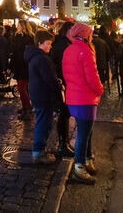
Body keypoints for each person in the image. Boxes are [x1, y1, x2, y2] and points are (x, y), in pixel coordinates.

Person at [62, 22, 104, 184]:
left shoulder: (69, 50)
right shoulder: (85, 51)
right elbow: (92, 77)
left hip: (73, 97)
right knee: (84, 134)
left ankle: (86, 160)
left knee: (85, 132)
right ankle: (79, 167)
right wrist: (100, 89)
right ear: (86, 35)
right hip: (86, 98)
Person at [26, 30, 60, 165]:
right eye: (48, 43)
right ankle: (38, 153)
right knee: (43, 123)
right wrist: (58, 87)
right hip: (43, 95)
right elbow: (50, 80)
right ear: (40, 43)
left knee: (43, 122)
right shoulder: (42, 59)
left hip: (37, 94)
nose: (50, 46)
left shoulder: (35, 57)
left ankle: (40, 150)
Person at [50, 20, 75, 156]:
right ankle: (62, 144)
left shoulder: (63, 44)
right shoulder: (62, 45)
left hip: (65, 83)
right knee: (63, 114)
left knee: (65, 114)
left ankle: (64, 143)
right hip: (63, 84)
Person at [10, 22, 35, 119]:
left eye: (18, 26)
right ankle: (25, 107)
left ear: (23, 27)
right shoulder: (21, 37)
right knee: (23, 88)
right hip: (21, 65)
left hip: (23, 66)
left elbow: (17, 53)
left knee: (21, 88)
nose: (17, 27)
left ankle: (27, 108)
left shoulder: (26, 38)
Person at [91, 29, 111, 94]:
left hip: (93, 63)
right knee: (101, 75)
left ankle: (95, 88)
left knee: (94, 75)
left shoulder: (90, 42)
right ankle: (101, 87)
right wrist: (106, 60)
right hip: (102, 63)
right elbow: (108, 52)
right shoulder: (103, 42)